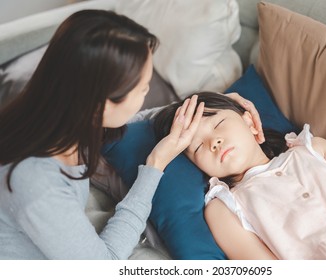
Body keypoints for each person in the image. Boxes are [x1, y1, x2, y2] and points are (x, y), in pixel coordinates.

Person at [0, 9, 261, 259]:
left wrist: (216, 105)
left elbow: (138, 119)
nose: (147, 94)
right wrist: (155, 165)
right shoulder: (36, 182)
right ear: (100, 105)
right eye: (143, 89)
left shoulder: (63, 120)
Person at [153, 91, 326, 260]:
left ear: (250, 121)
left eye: (219, 124)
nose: (213, 142)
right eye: (197, 147)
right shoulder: (224, 209)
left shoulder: (312, 148)